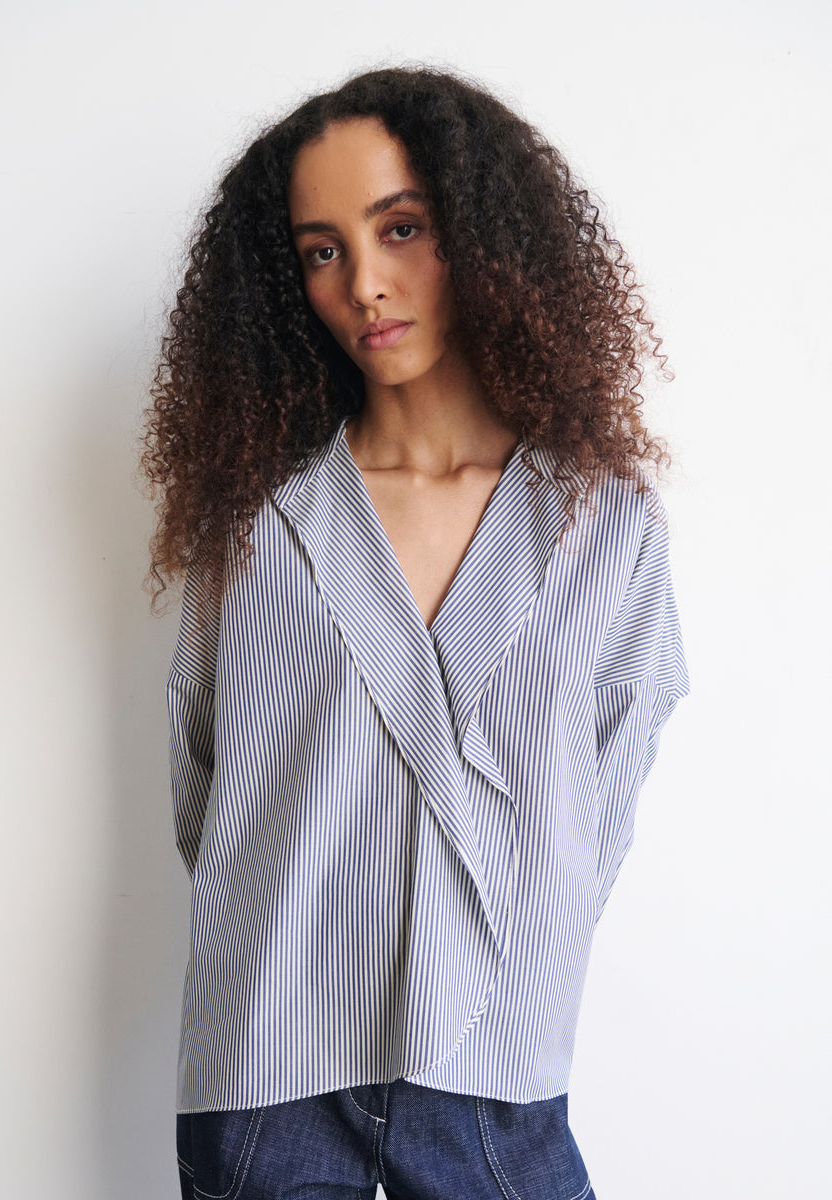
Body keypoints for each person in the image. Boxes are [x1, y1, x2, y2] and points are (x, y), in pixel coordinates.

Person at [142, 66, 688, 1200]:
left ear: (484, 235)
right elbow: (206, 784)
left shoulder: (604, 520)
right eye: (322, 249)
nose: (366, 285)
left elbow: (605, 795)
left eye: (402, 228)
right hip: (268, 1079)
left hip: (497, 1080)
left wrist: (501, 947)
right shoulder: (250, 519)